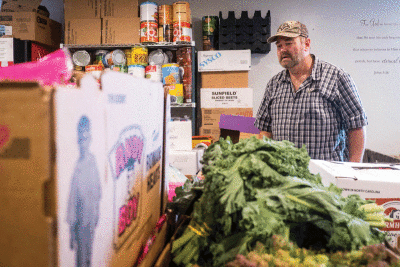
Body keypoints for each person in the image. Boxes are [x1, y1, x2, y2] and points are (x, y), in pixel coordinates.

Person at [254, 21, 368, 162]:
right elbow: (265, 129)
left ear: (306, 44)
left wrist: (353, 172)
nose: (282, 50)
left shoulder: (337, 77)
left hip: (326, 178)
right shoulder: (274, 84)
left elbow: (356, 126)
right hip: (284, 178)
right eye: (279, 46)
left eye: (289, 43)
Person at [67, 115, 102, 267]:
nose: (83, 141)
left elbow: (98, 190)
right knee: (81, 259)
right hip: (81, 223)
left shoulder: (93, 161)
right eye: (80, 137)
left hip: (91, 219)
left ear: (90, 138)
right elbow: (72, 200)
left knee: (88, 257)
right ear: (77, 140)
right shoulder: (78, 168)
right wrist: (71, 230)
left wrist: (96, 212)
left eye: (86, 136)